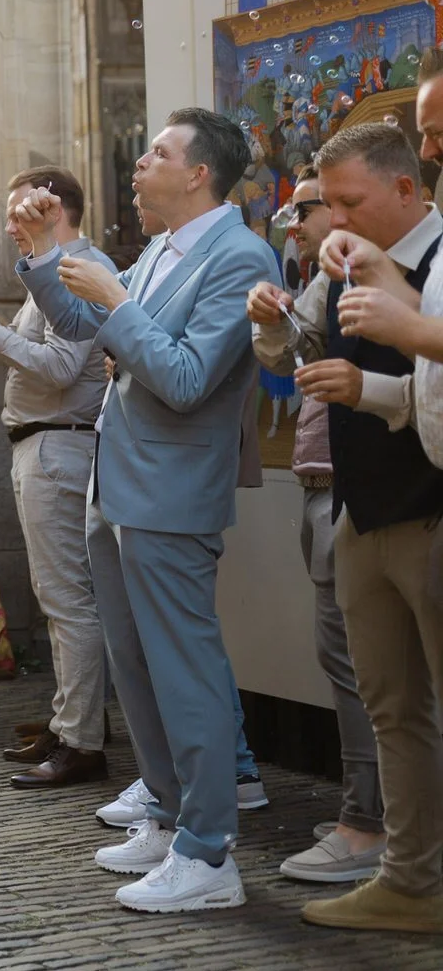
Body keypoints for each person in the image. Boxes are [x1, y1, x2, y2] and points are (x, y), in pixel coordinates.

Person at [12, 105, 273, 914]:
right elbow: (88, 330)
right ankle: (165, 814)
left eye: (156, 153)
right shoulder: (163, 245)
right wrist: (43, 257)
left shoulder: (240, 254)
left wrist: (118, 301)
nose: (138, 162)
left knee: (182, 668)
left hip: (171, 487)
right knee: (135, 662)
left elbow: (190, 377)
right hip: (115, 480)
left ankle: (209, 852)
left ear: (198, 173)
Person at [311, 56, 443, 933]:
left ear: (402, 186)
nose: (338, 220)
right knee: (391, 705)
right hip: (365, 508)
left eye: (351, 203)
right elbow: (411, 392)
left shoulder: (431, 254)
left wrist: (411, 332)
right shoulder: (348, 262)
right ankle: (411, 878)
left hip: (430, 508)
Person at [0, 166, 111, 790]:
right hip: (43, 446)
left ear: (54, 208)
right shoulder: (53, 268)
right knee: (57, 597)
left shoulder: (80, 269)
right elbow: (24, 349)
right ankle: (71, 725)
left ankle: (83, 740)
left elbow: (63, 366)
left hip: (60, 446)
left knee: (68, 600)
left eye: (19, 213)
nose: (9, 226)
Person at [248, 164, 388, 887]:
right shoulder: (327, 274)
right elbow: (288, 352)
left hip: (355, 487)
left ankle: (369, 822)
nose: (296, 223)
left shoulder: (380, 267)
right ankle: (372, 812)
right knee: (351, 662)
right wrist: (272, 318)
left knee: (363, 665)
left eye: (312, 207)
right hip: (321, 481)